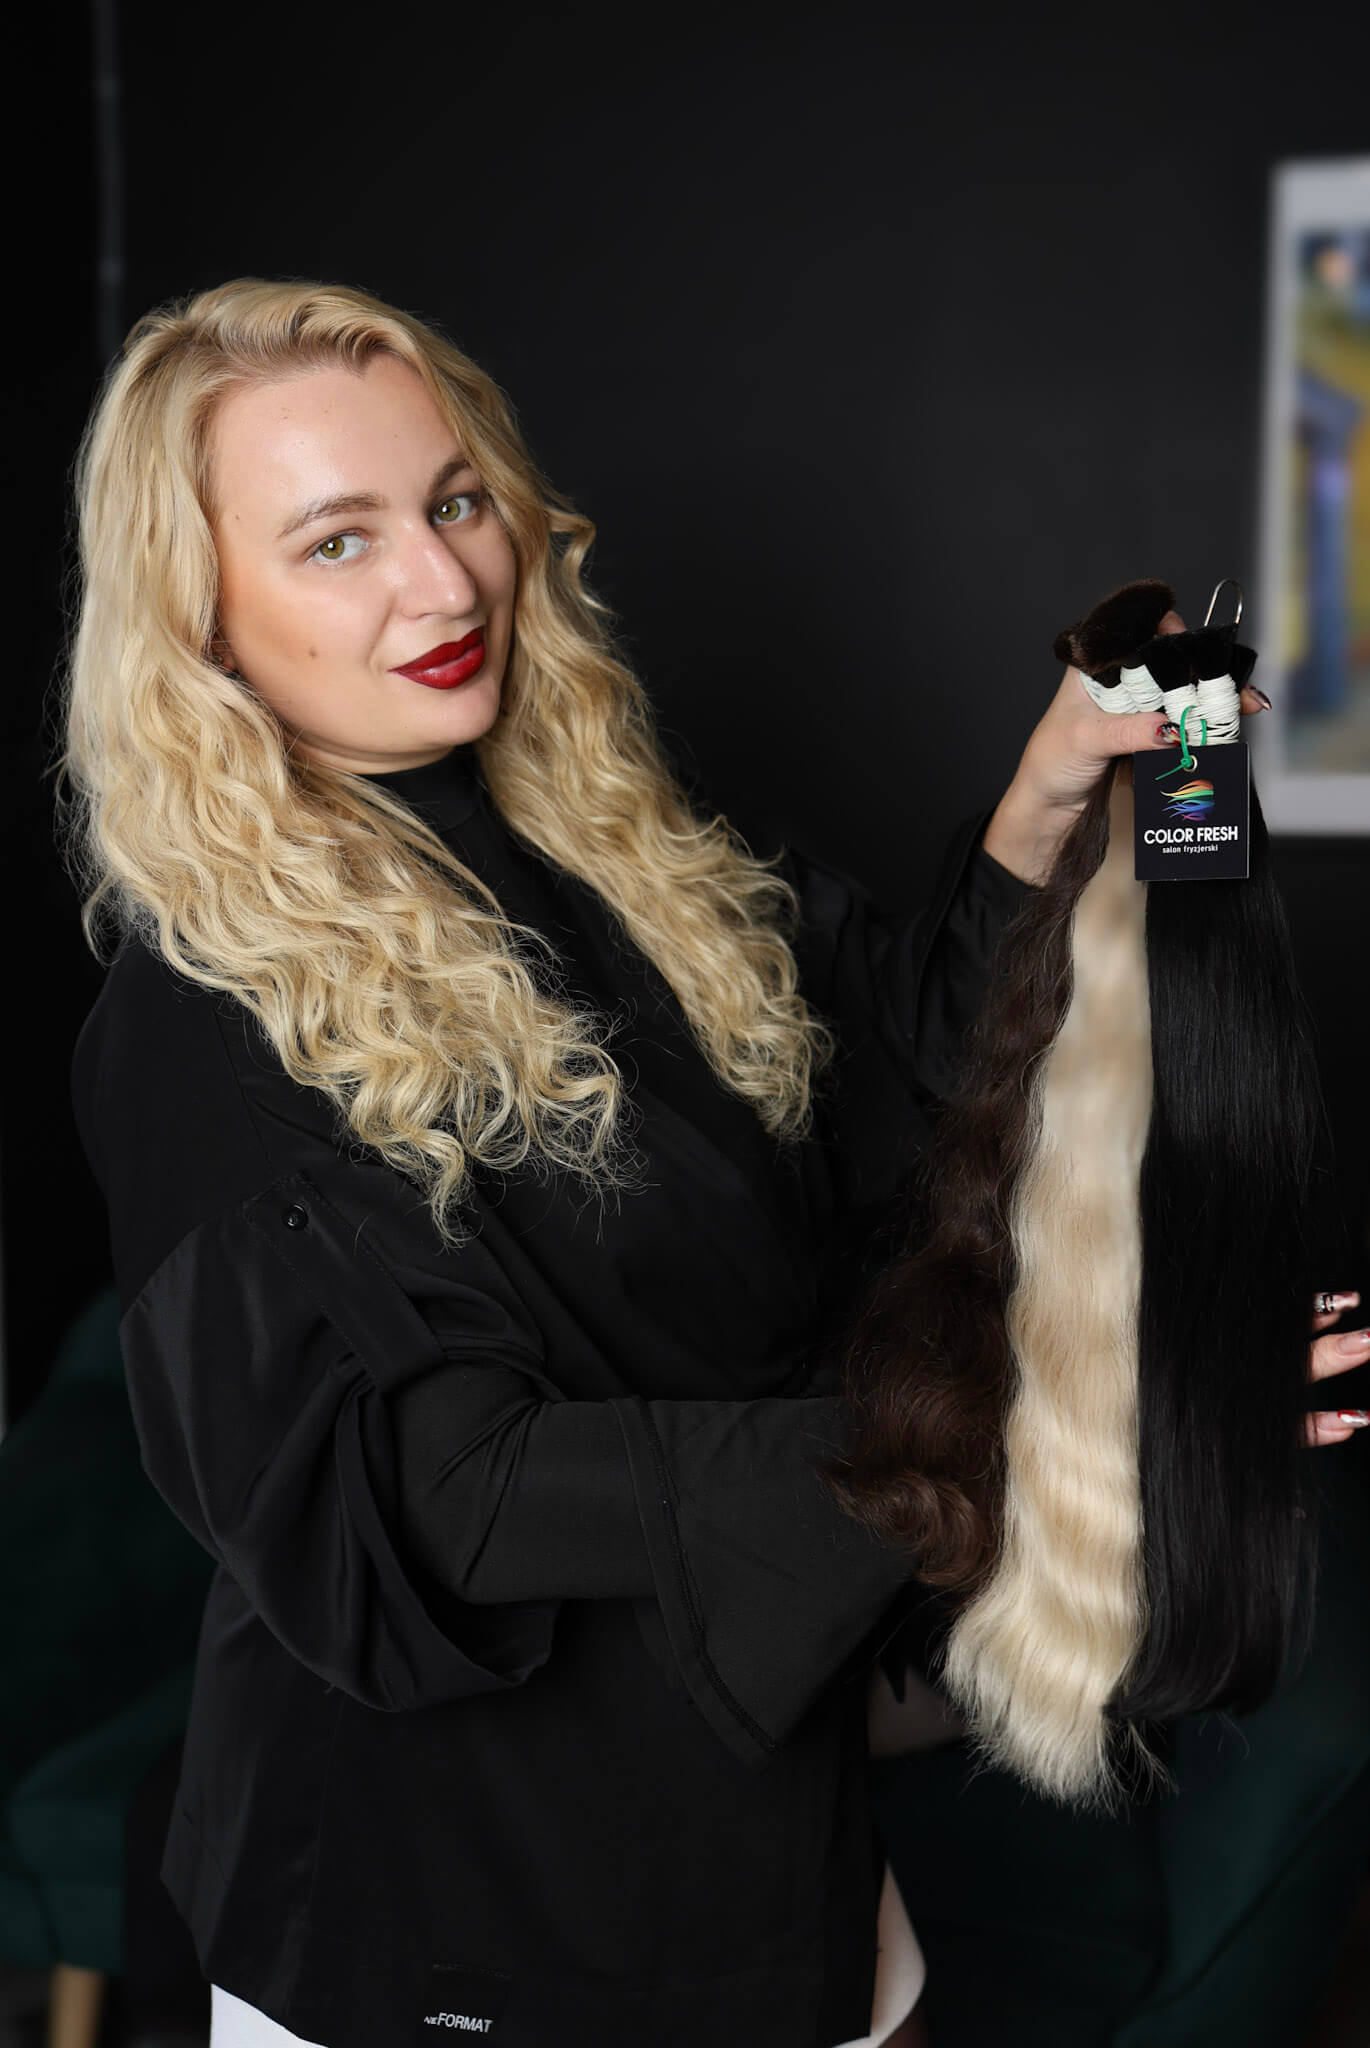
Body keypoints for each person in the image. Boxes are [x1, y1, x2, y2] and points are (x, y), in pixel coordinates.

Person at [59, 278, 1350, 2048]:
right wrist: (1055, 1425)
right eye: (336, 541)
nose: (443, 582)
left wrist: (1051, 792)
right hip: (447, 1908)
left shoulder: (616, 849)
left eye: (454, 501)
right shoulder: (201, 1013)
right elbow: (446, 1494)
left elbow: (894, 1088)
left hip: (767, 1824)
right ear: (200, 619)